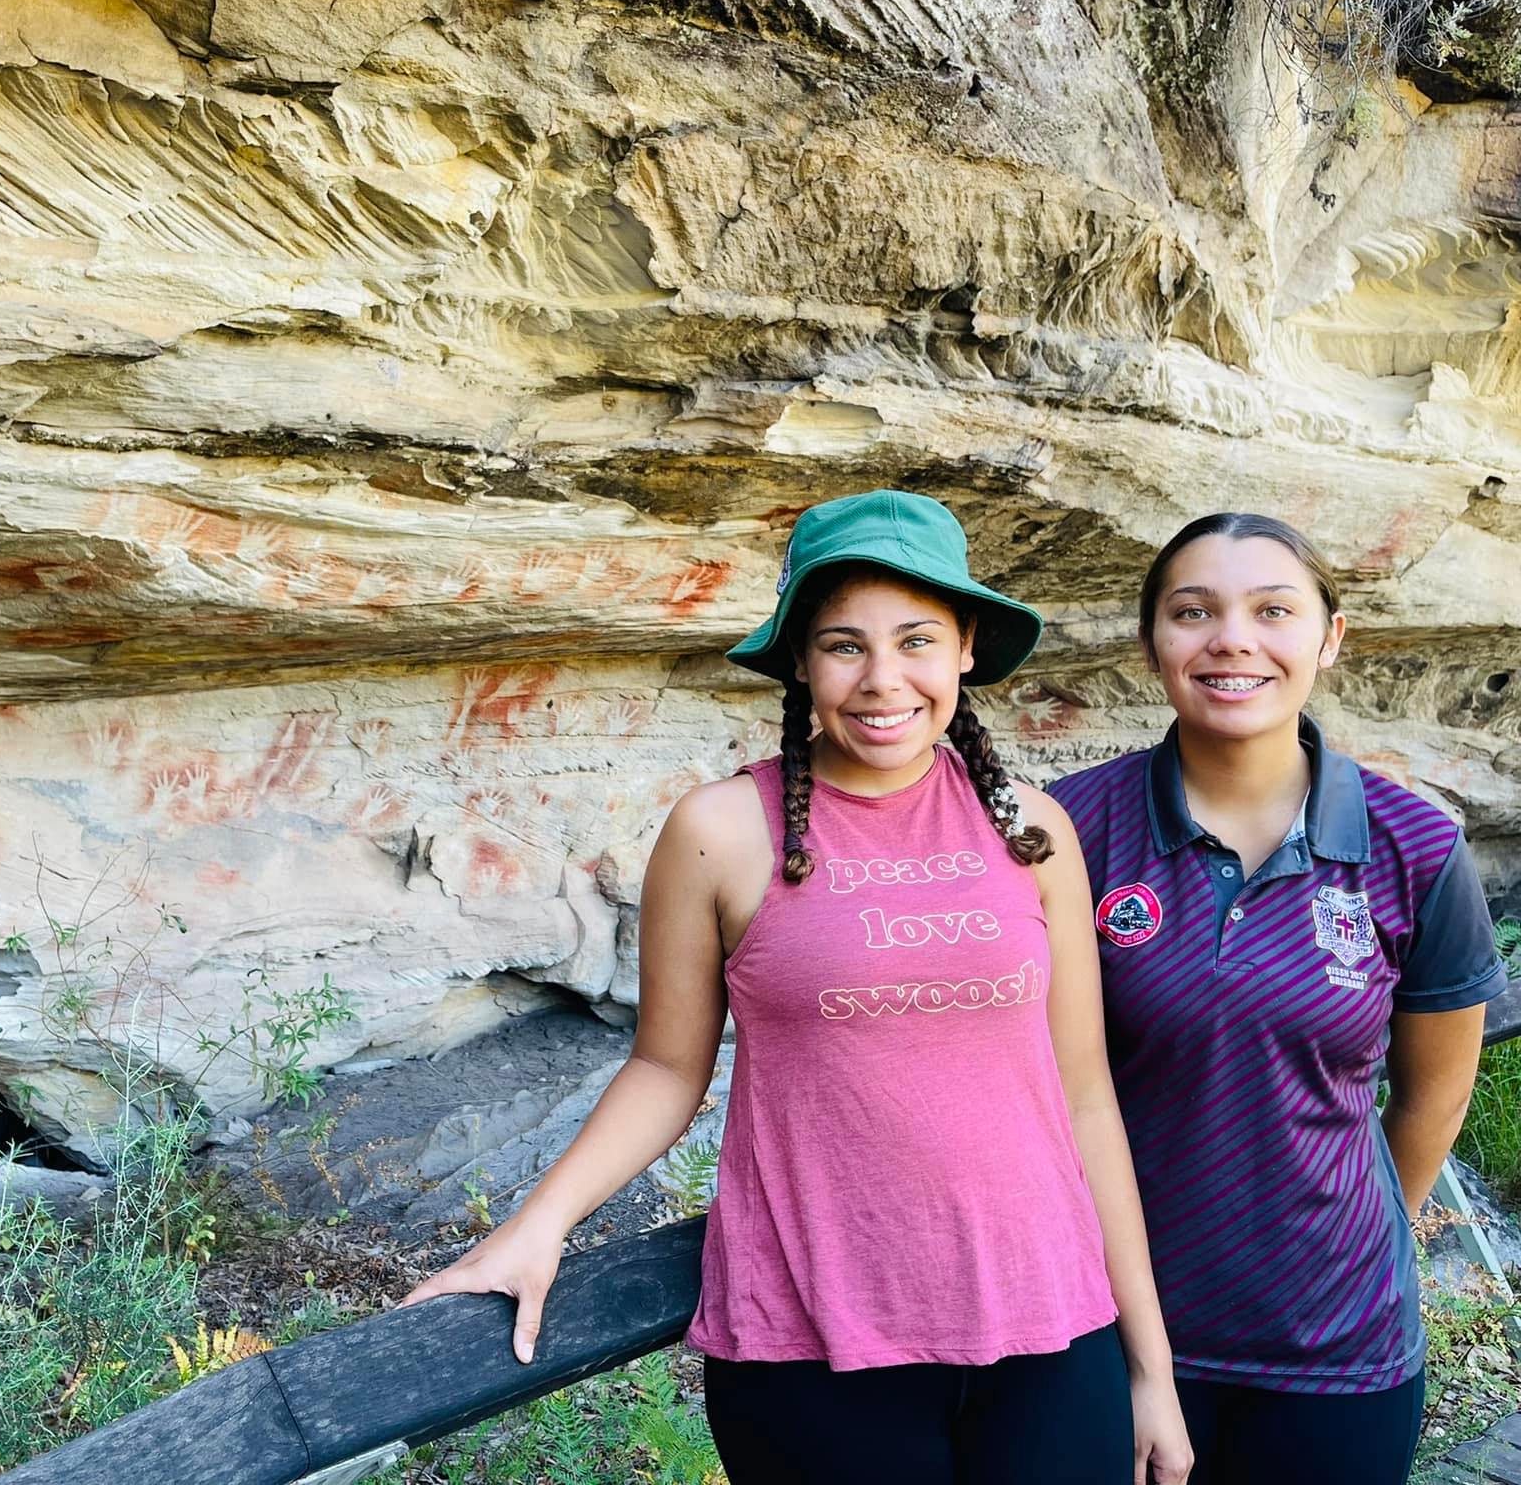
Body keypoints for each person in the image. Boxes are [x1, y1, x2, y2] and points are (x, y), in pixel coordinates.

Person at [403, 490, 1192, 1484]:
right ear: (798, 660)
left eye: (914, 640)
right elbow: (662, 1067)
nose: (880, 680)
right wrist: (536, 1228)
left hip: (1047, 1327)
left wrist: (1148, 1364)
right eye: (842, 645)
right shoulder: (720, 832)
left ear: (964, 648)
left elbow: (1083, 1096)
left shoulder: (1030, 830)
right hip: (812, 1344)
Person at [1048, 512, 1507, 1485]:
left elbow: (1431, 1096)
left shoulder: (1411, 847)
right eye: (1191, 611)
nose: (1231, 639)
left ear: (1328, 638)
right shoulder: (1073, 829)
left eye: (1272, 610)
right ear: (1150, 643)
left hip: (1337, 1350)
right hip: (1107, 1329)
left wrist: (1353, 1243)